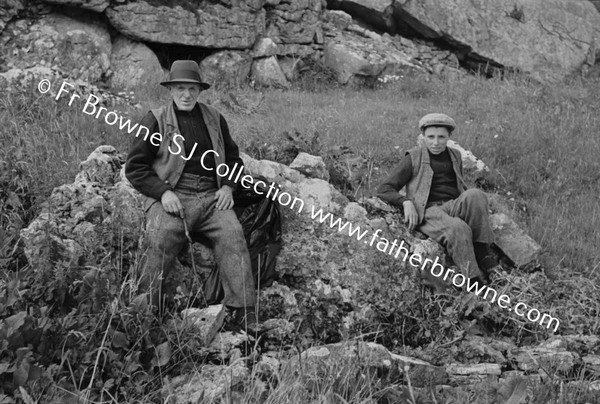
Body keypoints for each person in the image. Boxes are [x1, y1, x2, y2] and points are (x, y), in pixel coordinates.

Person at [125, 60, 257, 327]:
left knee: (233, 235)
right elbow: (135, 167)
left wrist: (228, 187)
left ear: (199, 91)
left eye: (192, 89)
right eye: (180, 88)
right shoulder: (156, 118)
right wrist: (162, 193)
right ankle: (144, 316)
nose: (186, 95)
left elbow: (233, 159)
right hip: (174, 195)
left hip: (212, 197)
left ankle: (242, 313)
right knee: (160, 238)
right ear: (171, 90)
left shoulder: (215, 118)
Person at [377, 113, 497, 286]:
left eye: (441, 137)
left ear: (449, 137)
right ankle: (473, 280)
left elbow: (458, 186)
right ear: (423, 136)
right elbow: (384, 188)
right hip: (427, 210)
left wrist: (468, 207)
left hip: (450, 206)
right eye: (430, 137)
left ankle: (481, 252)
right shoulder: (413, 157)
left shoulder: (454, 155)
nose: (436, 142)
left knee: (476, 194)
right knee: (458, 227)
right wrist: (405, 202)